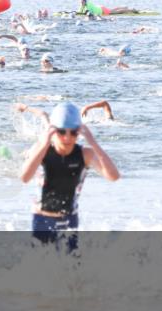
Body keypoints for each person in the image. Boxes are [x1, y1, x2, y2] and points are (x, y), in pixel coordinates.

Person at [15, 102, 120, 253]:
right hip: (42, 218)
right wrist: (43, 145)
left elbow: (114, 176)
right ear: (53, 130)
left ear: (80, 131)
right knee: (41, 269)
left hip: (69, 219)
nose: (67, 137)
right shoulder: (41, 149)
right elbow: (24, 177)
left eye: (74, 132)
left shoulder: (85, 154)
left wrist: (93, 143)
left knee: (71, 269)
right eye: (62, 132)